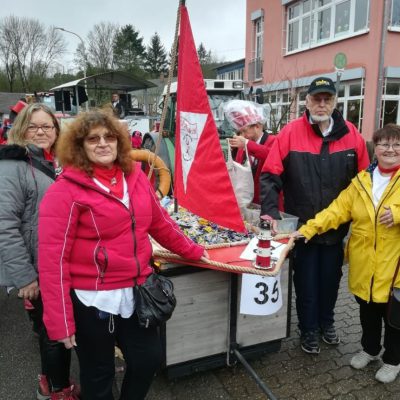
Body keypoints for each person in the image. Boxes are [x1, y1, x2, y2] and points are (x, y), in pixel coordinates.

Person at [38, 109, 209, 400]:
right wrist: (60, 322)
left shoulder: (136, 178)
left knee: (147, 361)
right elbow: (52, 262)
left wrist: (196, 252)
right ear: (80, 146)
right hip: (92, 299)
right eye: (93, 139)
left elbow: (161, 224)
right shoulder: (63, 192)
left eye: (109, 137)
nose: (103, 143)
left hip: (136, 290)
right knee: (98, 374)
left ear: (120, 142)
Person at [260, 76, 370, 354]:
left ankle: (327, 323)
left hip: (336, 230)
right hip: (302, 229)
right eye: (316, 98)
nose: (322, 104)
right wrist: (270, 213)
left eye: (327, 99)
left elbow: (365, 183)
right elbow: (271, 175)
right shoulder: (290, 133)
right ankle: (308, 330)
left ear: (334, 102)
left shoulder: (352, 135)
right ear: (306, 102)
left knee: (331, 282)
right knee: (306, 283)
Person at [291, 123, 400, 383]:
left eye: (396, 144)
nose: (390, 149)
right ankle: (370, 349)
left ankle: (393, 360)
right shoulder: (362, 181)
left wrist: (397, 214)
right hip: (364, 263)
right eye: (384, 144)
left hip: (395, 264)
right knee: (367, 310)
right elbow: (336, 210)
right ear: (375, 149)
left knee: (394, 317)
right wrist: (306, 230)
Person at [0, 103, 78, 399]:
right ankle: (58, 390)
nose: (41, 132)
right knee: (54, 332)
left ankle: (50, 379)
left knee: (50, 329)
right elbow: (4, 225)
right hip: (37, 269)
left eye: (47, 126)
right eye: (33, 126)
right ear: (21, 130)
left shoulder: (50, 162)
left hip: (55, 264)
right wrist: (25, 278)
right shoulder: (12, 166)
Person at [224, 100, 275, 205]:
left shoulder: (273, 141)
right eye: (240, 132)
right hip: (247, 201)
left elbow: (271, 156)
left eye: (244, 131)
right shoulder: (243, 146)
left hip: (268, 201)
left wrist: (247, 144)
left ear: (256, 126)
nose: (242, 135)